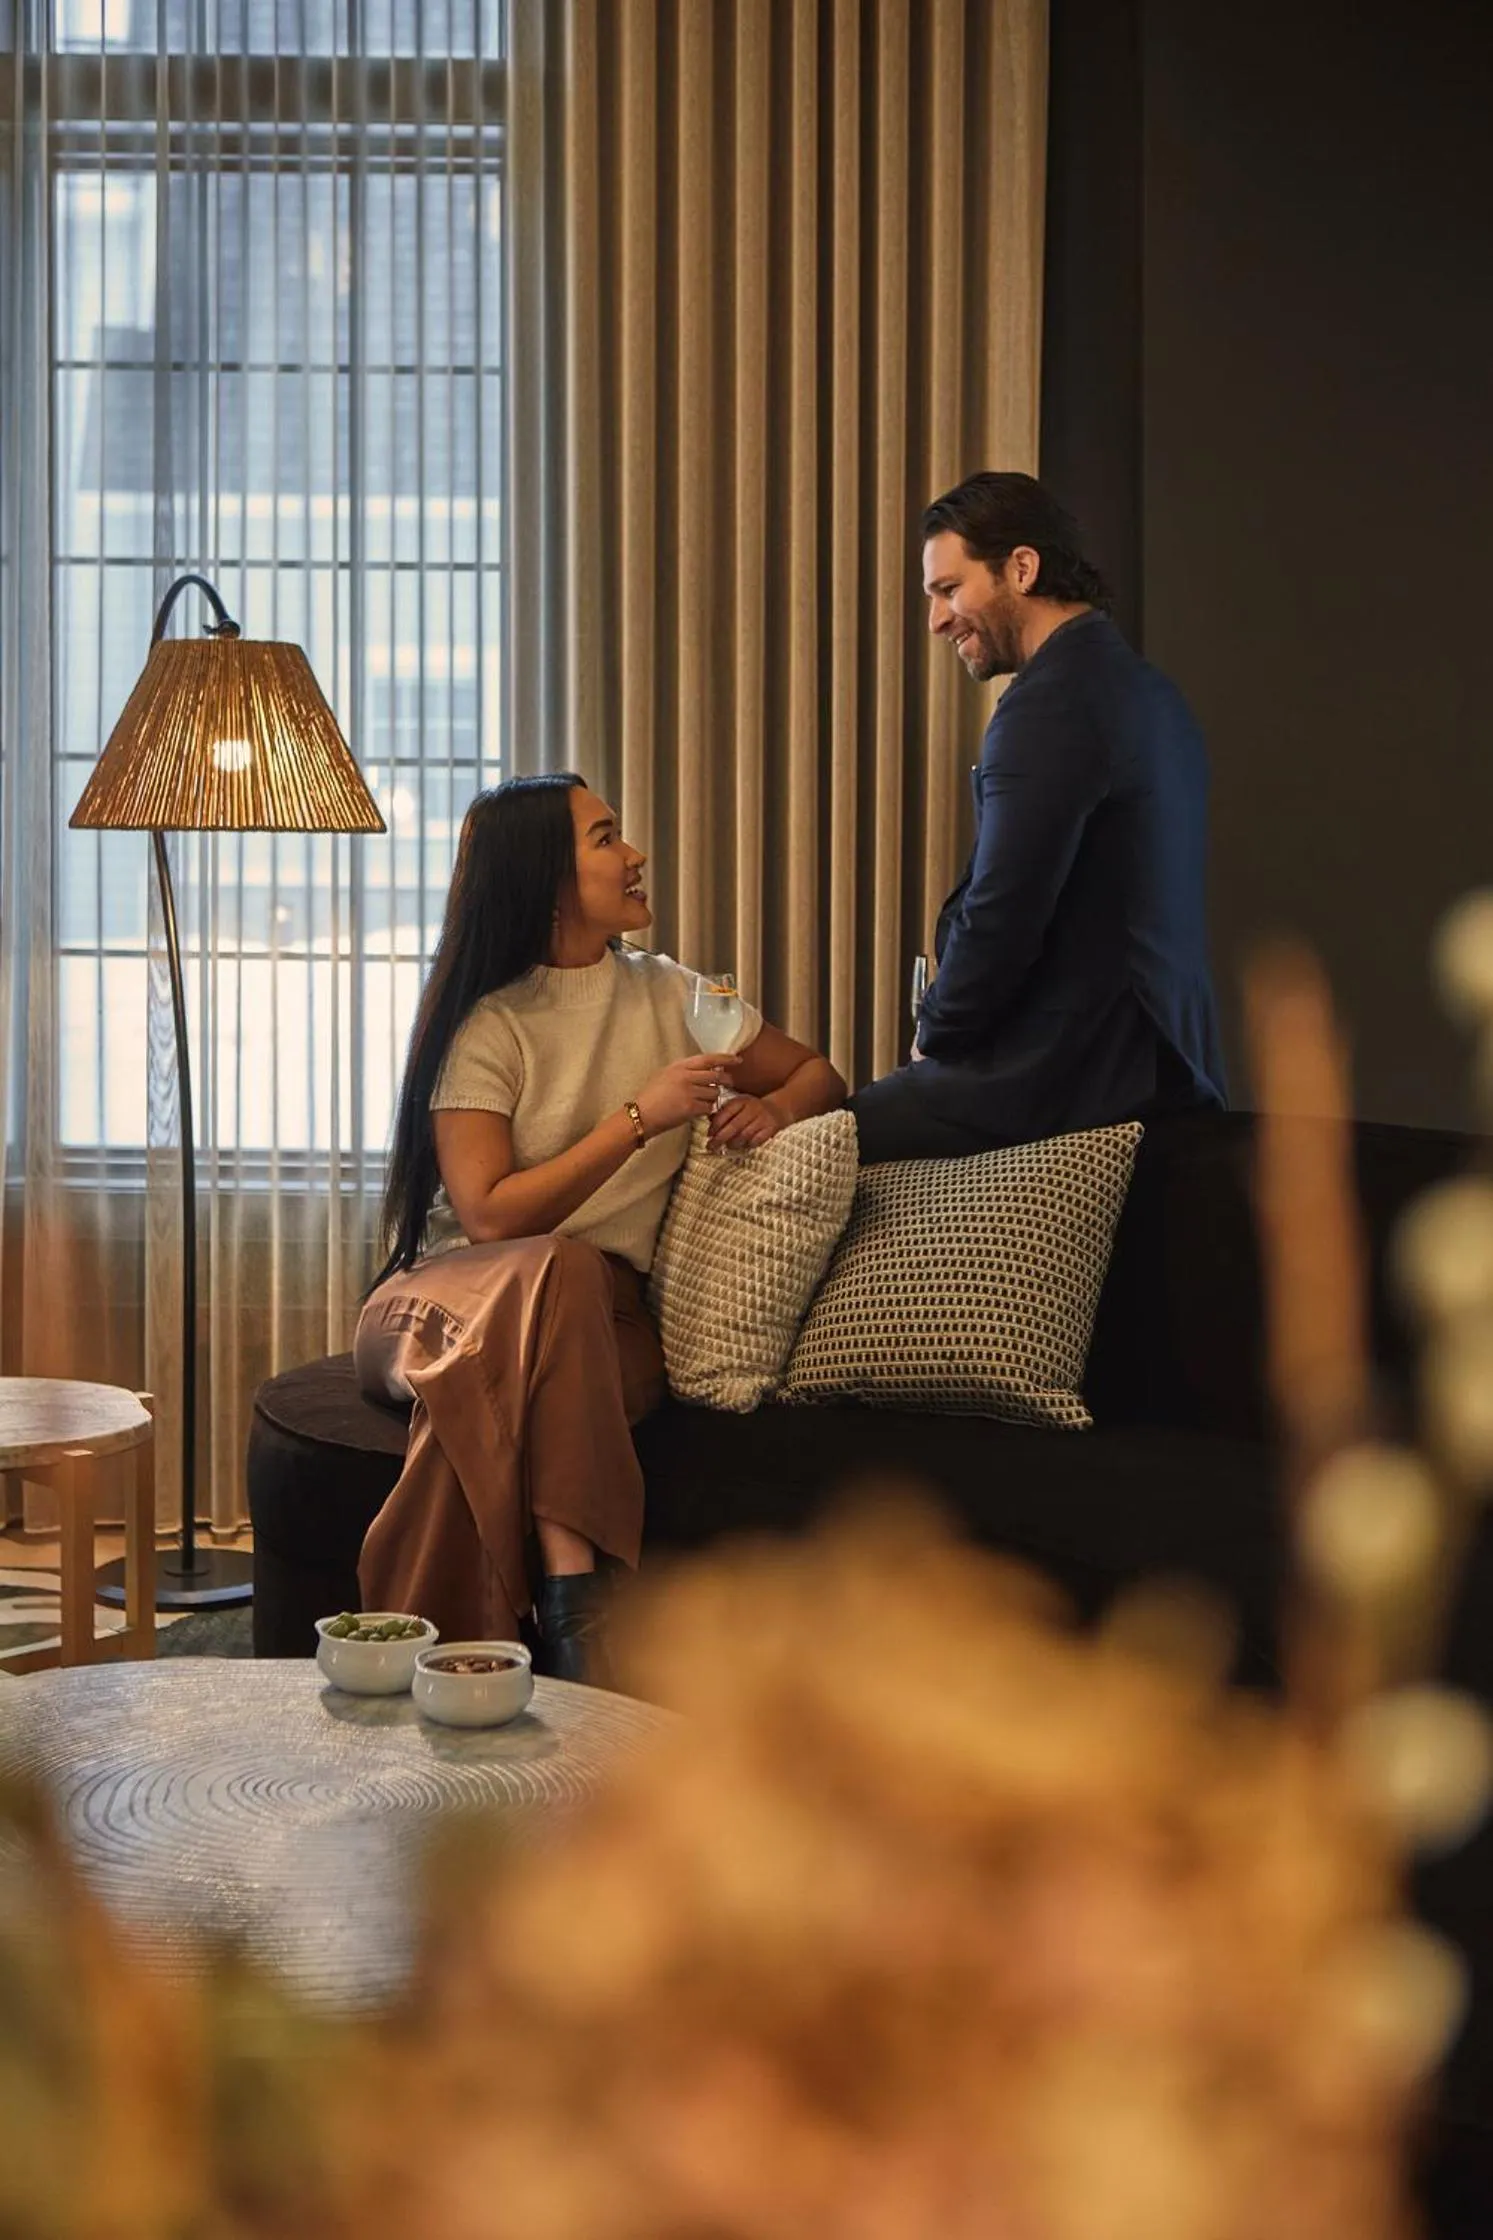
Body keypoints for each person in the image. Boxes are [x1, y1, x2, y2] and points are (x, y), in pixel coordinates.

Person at [356, 773, 846, 1682]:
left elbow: (820, 1072)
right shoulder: (491, 1025)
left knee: (573, 1289)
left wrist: (774, 1109)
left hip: (602, 1325)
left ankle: (420, 1654)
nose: (634, 856)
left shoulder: (673, 994)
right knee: (563, 1267)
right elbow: (489, 1216)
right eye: (605, 837)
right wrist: (639, 1117)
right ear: (545, 878)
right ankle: (578, 1600)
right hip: (447, 1300)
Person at [849, 471, 1227, 1164]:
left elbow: (1003, 909)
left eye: (948, 589)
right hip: (1165, 1066)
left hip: (1073, 1078)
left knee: (815, 1145)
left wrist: (936, 1031)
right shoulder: (1147, 692)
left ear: (1020, 568)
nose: (935, 620)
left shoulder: (1049, 705)